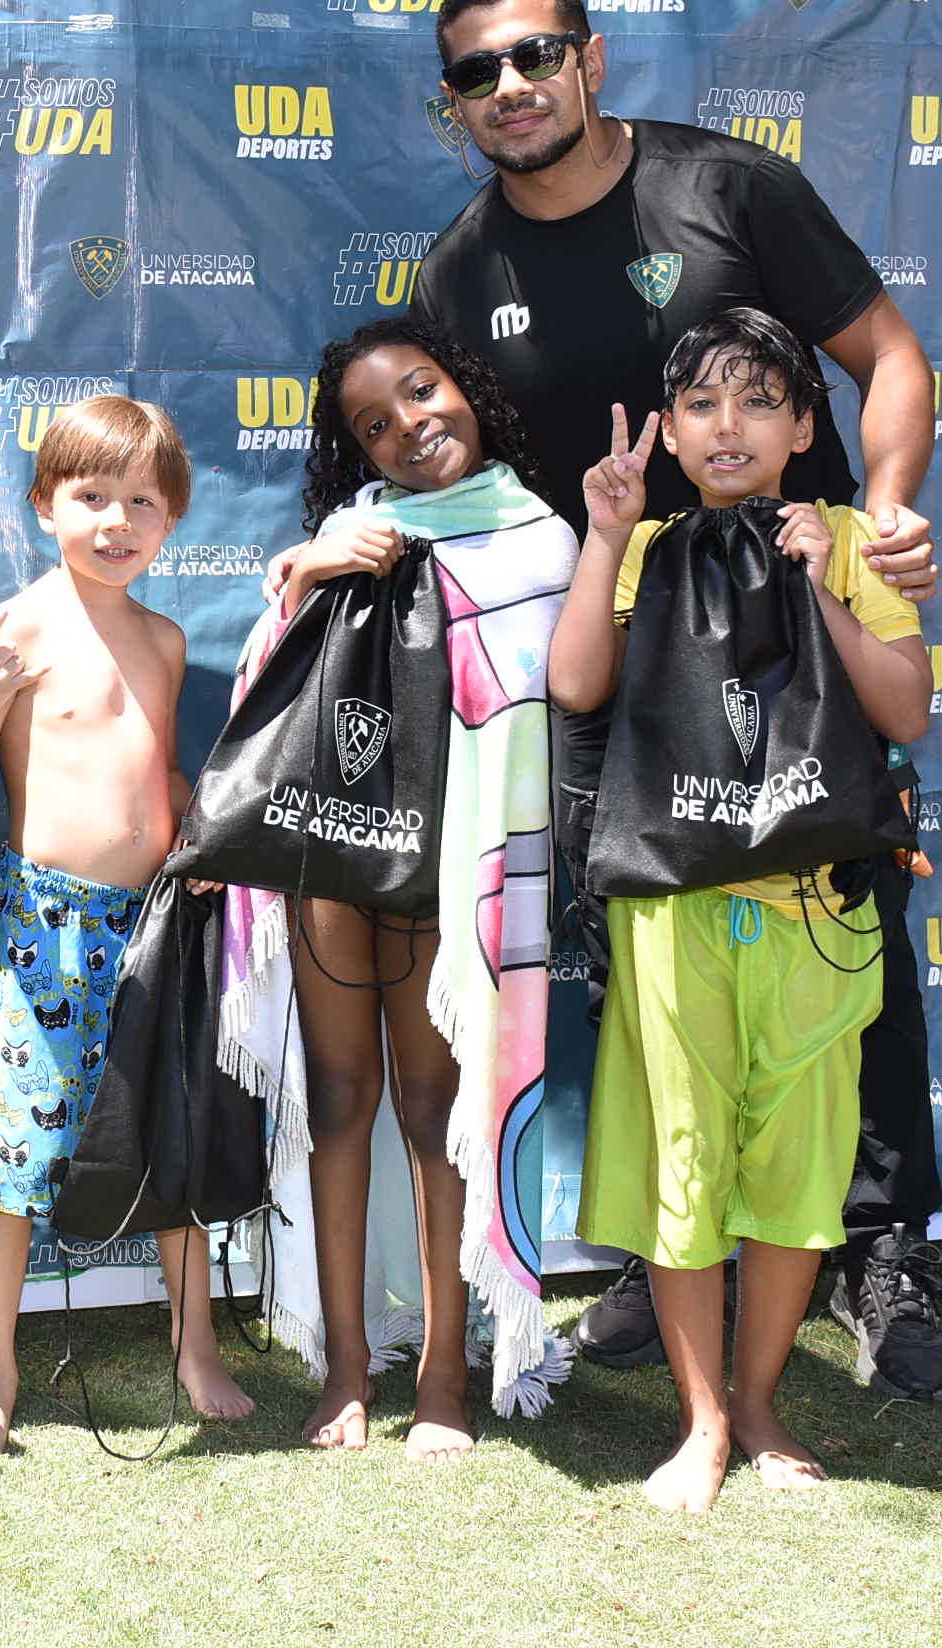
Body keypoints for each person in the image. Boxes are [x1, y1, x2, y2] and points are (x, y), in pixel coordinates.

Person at [408, 0, 942, 1400]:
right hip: (622, 660)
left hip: (804, 638)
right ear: (452, 101)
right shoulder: (456, 276)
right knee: (640, 963)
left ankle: (883, 1248)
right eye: (477, 72)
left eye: (536, 55)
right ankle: (675, 1248)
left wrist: (883, 516)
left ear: (590, 58)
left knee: (850, 938)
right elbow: (452, 484)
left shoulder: (730, 188)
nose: (511, 87)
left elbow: (890, 355)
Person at [546, 309, 932, 1513]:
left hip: (820, 915)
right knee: (685, 1159)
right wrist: (605, 535)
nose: (730, 426)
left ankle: (760, 1403)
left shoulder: (854, 540)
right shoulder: (647, 545)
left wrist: (823, 584)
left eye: (760, 400)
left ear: (804, 427)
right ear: (668, 431)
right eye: (703, 403)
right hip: (676, 913)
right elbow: (574, 681)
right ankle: (702, 1419)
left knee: (797, 1170)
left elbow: (905, 707)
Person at [227, 314, 573, 1458]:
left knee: (432, 1110)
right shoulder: (347, 531)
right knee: (338, 1101)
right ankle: (344, 1366)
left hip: (450, 869)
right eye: (374, 424)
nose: (409, 427)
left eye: (421, 391)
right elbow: (268, 691)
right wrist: (309, 570)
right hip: (333, 853)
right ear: (357, 450)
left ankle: (441, 1373)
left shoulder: (539, 537)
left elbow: (549, 700)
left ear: (463, 382)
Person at [0, 396, 255, 1456]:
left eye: (142, 503)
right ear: (43, 504)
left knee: (169, 1130)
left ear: (172, 520)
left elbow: (156, 773)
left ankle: (194, 1341)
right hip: (42, 929)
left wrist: (196, 833)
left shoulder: (164, 639)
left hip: (152, 926)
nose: (117, 521)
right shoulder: (19, 626)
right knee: (14, 1154)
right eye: (92, 496)